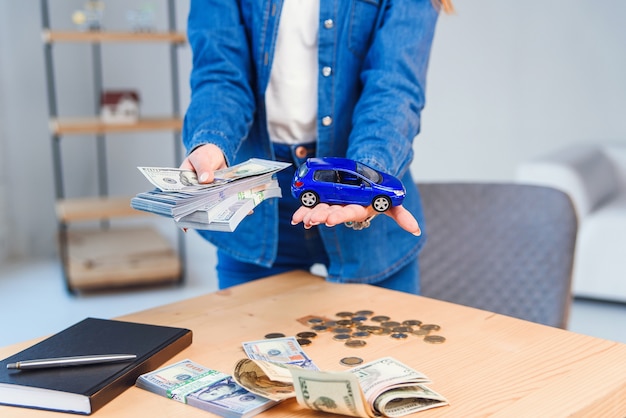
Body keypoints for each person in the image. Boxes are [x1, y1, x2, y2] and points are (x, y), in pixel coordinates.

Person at [181, 0, 453, 294]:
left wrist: (370, 167)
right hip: (259, 205)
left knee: (386, 338)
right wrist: (211, 142)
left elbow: (394, 86)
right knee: (253, 337)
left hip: (366, 220)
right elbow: (220, 72)